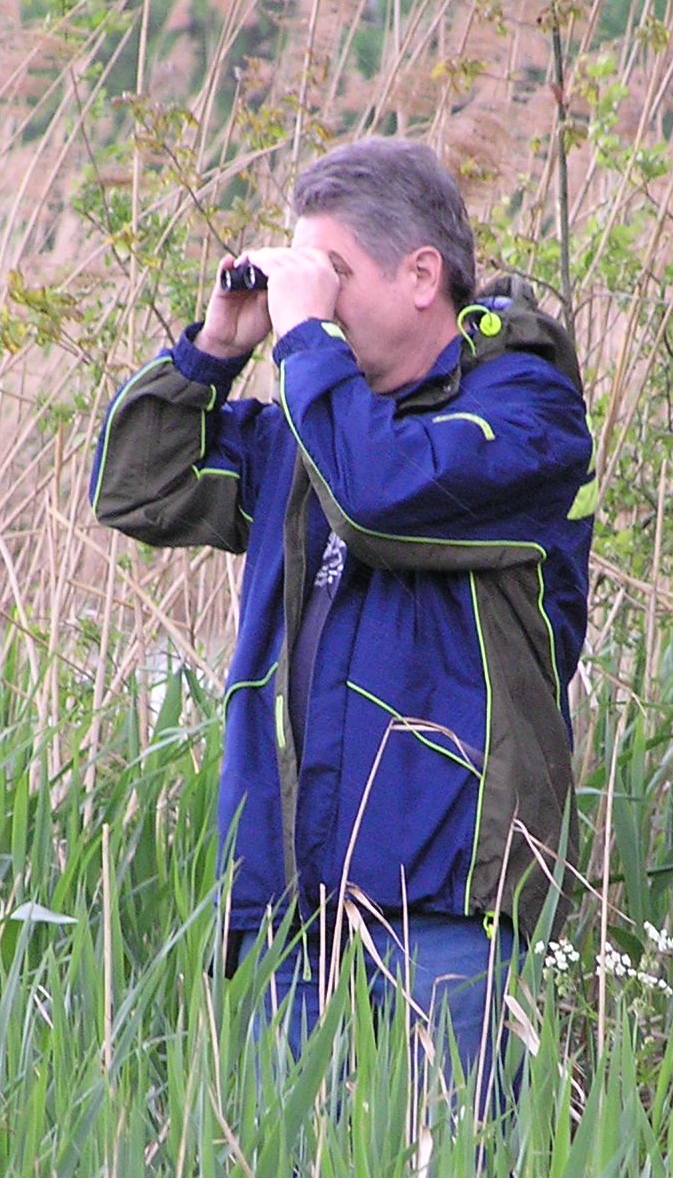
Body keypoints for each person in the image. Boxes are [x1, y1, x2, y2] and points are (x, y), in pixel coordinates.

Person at [91, 137, 595, 1115]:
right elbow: (138, 488)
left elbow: (378, 499)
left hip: (443, 906)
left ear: (421, 275)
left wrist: (305, 344)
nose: (308, 301)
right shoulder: (313, 425)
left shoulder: (525, 415)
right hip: (291, 907)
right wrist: (214, 350)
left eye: (332, 273)